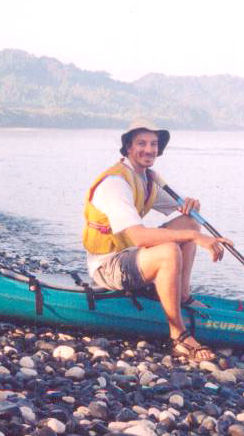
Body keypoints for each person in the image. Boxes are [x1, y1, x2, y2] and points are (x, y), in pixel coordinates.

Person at [82, 119, 233, 362]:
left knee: (188, 223)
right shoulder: (116, 184)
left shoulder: (147, 178)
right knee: (169, 251)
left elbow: (185, 211)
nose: (149, 149)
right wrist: (196, 237)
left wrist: (192, 206)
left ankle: (182, 296)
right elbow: (140, 237)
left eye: (153, 144)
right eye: (141, 143)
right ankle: (179, 335)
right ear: (128, 148)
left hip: (129, 257)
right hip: (107, 266)